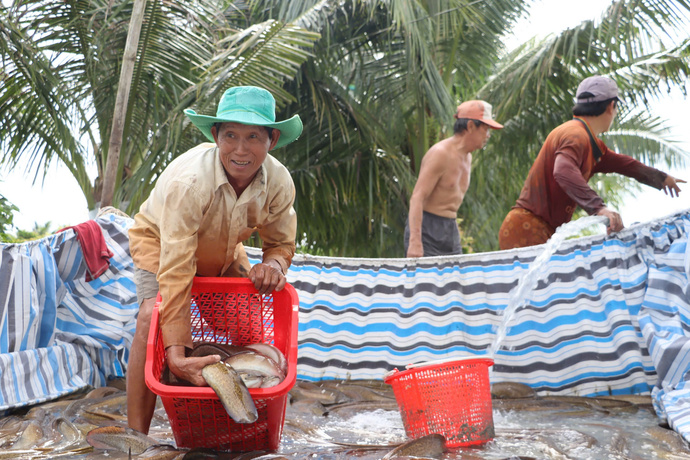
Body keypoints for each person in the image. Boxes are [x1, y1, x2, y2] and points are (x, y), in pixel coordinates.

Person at [126, 86, 302, 434]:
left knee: (251, 334)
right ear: (215, 136)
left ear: (273, 139)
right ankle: (136, 437)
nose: (240, 149)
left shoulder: (279, 181)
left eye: (253, 136)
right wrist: (176, 356)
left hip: (223, 251)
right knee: (151, 318)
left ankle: (241, 426)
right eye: (231, 135)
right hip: (160, 245)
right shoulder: (189, 184)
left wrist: (275, 266)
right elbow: (176, 269)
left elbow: (281, 243)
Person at [499, 75, 685, 250]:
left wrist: (662, 178)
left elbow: (625, 164)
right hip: (526, 227)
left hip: (539, 229)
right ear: (611, 106)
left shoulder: (589, 142)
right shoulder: (575, 134)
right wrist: (599, 208)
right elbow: (563, 171)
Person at [405, 100, 503, 257]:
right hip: (427, 230)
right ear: (470, 126)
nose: (488, 135)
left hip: (450, 229)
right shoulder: (441, 153)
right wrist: (415, 242)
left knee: (456, 281)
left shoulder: (468, 157)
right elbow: (417, 197)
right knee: (427, 281)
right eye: (486, 129)